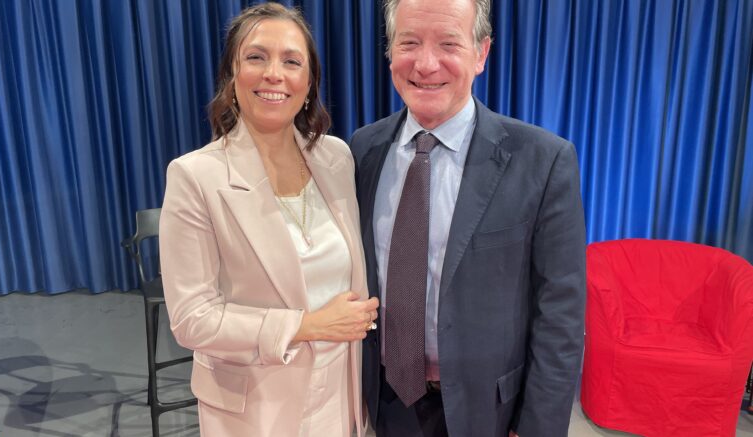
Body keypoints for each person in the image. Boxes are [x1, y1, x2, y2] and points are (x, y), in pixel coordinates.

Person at [350, 0, 586, 436]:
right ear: (390, 53)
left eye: (448, 44)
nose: (426, 64)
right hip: (385, 400)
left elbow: (561, 315)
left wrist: (537, 427)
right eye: (409, 43)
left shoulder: (544, 160)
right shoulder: (362, 149)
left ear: (481, 53)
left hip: (489, 412)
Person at [159, 3, 378, 436]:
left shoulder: (337, 158)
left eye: (291, 62)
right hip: (257, 409)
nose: (274, 74)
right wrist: (306, 326)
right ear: (233, 74)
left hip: (340, 397)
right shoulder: (195, 175)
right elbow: (192, 318)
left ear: (309, 82)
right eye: (256, 57)